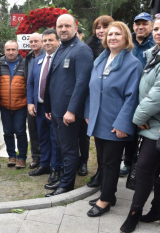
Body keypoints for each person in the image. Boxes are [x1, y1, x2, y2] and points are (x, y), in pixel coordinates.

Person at [120, 14, 160, 233]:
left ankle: (133, 215)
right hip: (153, 121)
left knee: (145, 169)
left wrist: (137, 119)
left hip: (158, 123)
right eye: (156, 29)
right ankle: (159, 210)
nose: (158, 32)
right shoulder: (158, 53)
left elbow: (157, 94)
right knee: (159, 169)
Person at [85, 21, 142, 217]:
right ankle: (110, 194)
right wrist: (88, 113)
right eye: (109, 35)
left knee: (110, 163)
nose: (113, 37)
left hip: (115, 123)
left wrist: (122, 124)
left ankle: (105, 201)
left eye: (117, 34)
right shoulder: (101, 59)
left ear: (126, 38)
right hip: (99, 120)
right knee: (102, 161)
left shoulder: (132, 64)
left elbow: (132, 97)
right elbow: (92, 90)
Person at [44, 14, 93, 196]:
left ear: (75, 27)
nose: (63, 29)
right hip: (56, 111)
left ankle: (66, 185)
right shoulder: (61, 48)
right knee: (62, 147)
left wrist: (71, 110)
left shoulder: (81, 50)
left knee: (69, 149)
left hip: (68, 113)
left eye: (67, 26)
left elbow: (82, 83)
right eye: (60, 26)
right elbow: (53, 81)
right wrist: (48, 107)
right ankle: (63, 179)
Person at [119, 12, 155, 178]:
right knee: (129, 131)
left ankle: (143, 167)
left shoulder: (155, 44)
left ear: (151, 25)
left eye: (144, 24)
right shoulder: (127, 43)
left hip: (148, 95)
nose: (140, 27)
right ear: (133, 26)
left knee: (145, 132)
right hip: (126, 93)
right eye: (137, 24)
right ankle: (127, 162)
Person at [27, 29, 62, 187]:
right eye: (45, 40)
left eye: (51, 40)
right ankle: (45, 163)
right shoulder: (38, 60)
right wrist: (30, 102)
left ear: (57, 41)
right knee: (43, 137)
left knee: (55, 138)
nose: (48, 43)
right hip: (39, 107)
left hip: (54, 108)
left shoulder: (61, 59)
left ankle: (56, 167)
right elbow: (31, 83)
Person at [83, 15, 115, 181]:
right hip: (94, 98)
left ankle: (105, 175)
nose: (101, 31)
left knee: (109, 144)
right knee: (98, 141)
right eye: (98, 27)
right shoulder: (89, 48)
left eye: (105, 27)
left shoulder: (116, 51)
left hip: (111, 103)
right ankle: (100, 172)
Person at [0, 40, 28, 168]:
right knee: (7, 132)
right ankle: (12, 156)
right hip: (4, 105)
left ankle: (22, 157)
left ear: (18, 50)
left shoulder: (25, 63)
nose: (10, 52)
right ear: (5, 51)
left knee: (20, 132)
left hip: (20, 105)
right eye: (8, 50)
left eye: (13, 50)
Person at [25, 33, 45, 169]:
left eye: (36, 41)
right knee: (33, 131)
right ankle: (36, 157)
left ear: (42, 42)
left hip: (43, 100)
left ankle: (46, 158)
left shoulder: (47, 56)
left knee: (44, 131)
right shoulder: (29, 57)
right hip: (31, 100)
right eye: (31, 42)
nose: (33, 44)